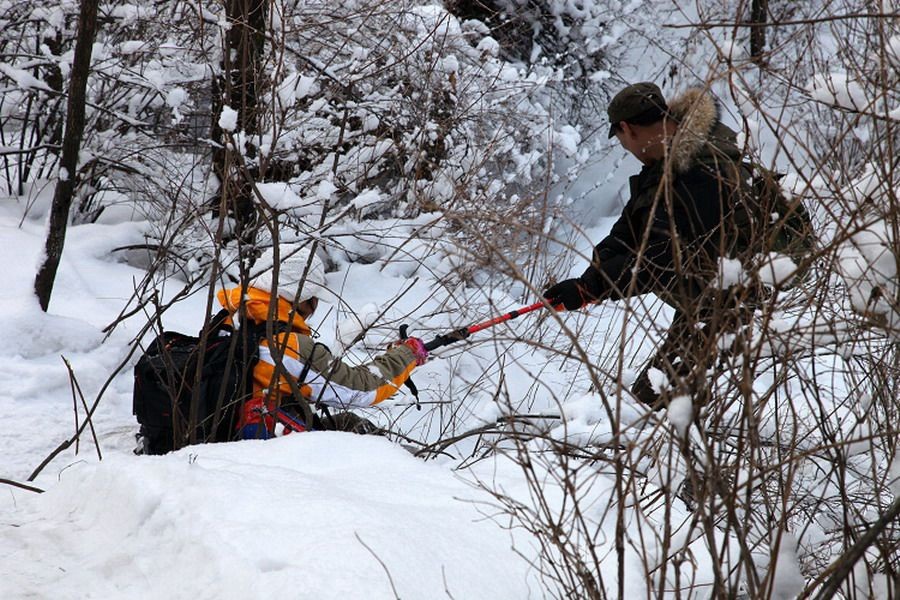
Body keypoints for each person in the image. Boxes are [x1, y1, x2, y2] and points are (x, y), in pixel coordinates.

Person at [543, 82, 757, 409]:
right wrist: (589, 282)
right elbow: (633, 228)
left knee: (650, 405)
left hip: (747, 290)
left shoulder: (700, 168)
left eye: (621, 141)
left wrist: (599, 286)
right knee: (661, 399)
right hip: (712, 288)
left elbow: (662, 257)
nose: (627, 149)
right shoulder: (668, 159)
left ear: (626, 129)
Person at [218, 245, 428, 438]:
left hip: (223, 432)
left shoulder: (226, 321)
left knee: (347, 422)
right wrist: (407, 354)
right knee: (363, 433)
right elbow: (362, 390)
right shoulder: (289, 346)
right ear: (302, 298)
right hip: (261, 449)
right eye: (314, 298)